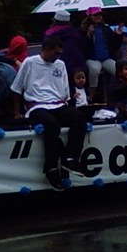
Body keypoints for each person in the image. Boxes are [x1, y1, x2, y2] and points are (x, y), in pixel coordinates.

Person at [10, 36, 86, 190]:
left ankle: (70, 158)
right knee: (52, 125)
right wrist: (17, 112)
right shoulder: (30, 63)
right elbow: (17, 88)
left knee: (79, 119)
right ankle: (51, 168)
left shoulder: (60, 64)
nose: (57, 56)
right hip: (37, 104)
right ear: (46, 50)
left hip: (58, 103)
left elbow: (64, 91)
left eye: (59, 53)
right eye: (55, 53)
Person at [82, 6, 120, 102]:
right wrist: (88, 35)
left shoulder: (106, 29)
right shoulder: (83, 30)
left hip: (107, 58)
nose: (98, 17)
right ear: (90, 16)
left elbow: (115, 45)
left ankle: (117, 94)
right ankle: (90, 96)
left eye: (100, 15)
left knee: (119, 70)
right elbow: (82, 46)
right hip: (92, 58)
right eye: (95, 15)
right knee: (94, 71)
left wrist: (118, 35)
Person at [44, 10, 87, 87]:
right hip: (77, 63)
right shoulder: (75, 32)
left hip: (56, 62)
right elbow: (82, 46)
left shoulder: (49, 34)